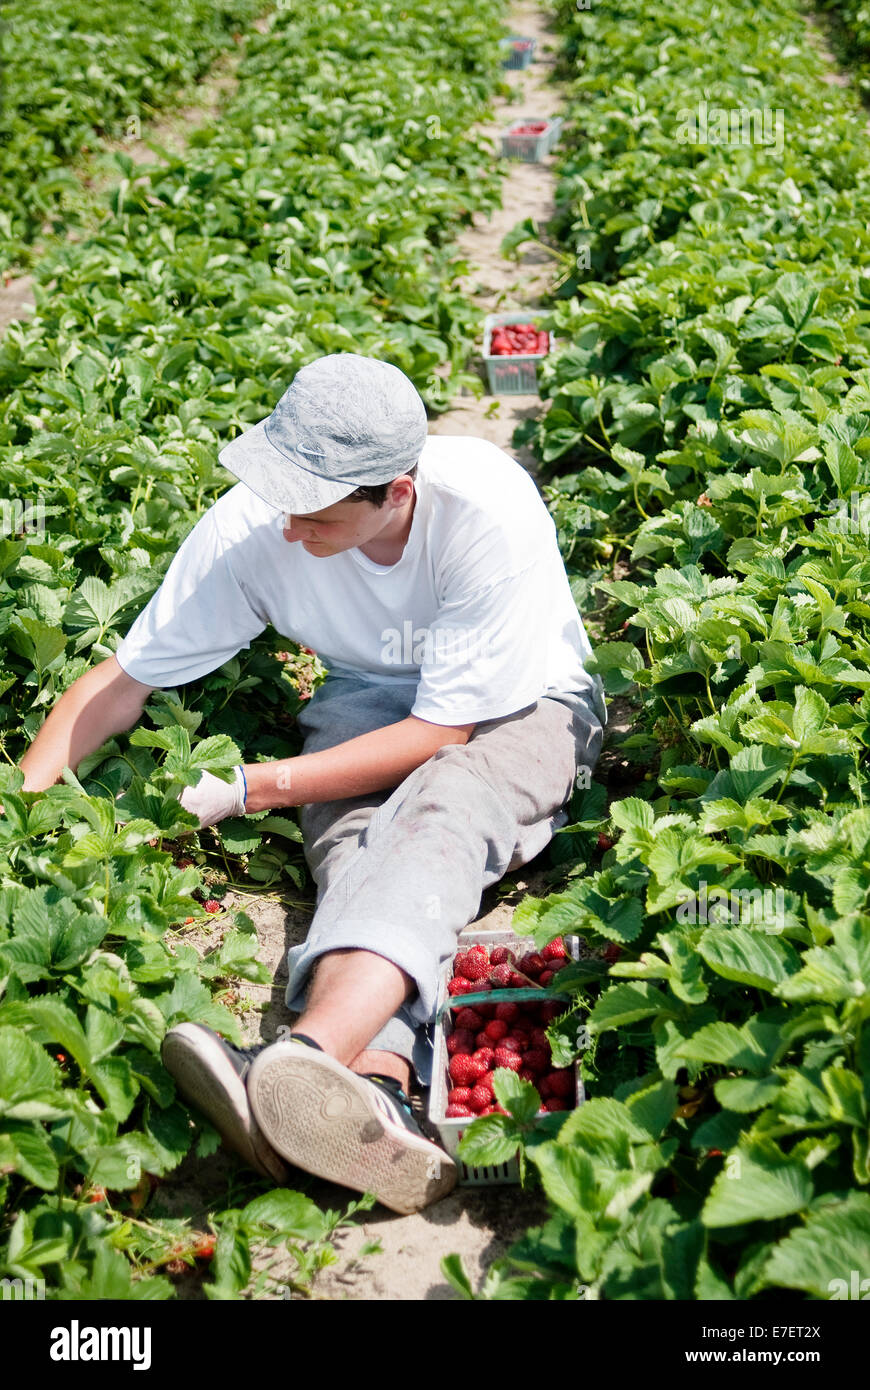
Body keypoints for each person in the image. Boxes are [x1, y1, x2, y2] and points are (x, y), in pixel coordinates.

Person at [19, 354, 605, 1215]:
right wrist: (19, 814)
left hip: (527, 700)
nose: (290, 529)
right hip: (370, 700)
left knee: (442, 811)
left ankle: (297, 1060)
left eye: (317, 513)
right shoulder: (259, 518)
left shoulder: (487, 509)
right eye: (284, 500)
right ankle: (383, 1091)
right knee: (352, 851)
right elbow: (123, 681)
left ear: (395, 494)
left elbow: (443, 733)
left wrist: (255, 785)